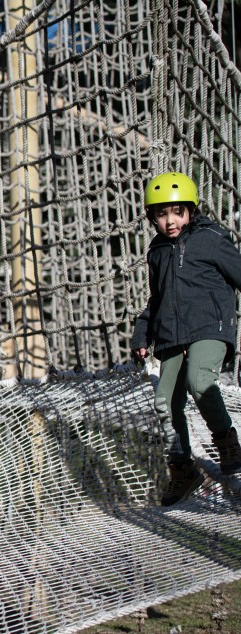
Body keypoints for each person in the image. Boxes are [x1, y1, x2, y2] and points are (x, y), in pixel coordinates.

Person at [131, 171, 241, 505]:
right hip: (170, 337)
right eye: (161, 214)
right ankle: (182, 469)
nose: (170, 221)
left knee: (199, 380)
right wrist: (142, 333)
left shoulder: (211, 238)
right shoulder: (158, 252)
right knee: (164, 401)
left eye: (177, 212)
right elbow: (157, 299)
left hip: (209, 328)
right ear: (153, 218)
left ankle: (226, 440)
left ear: (190, 210)